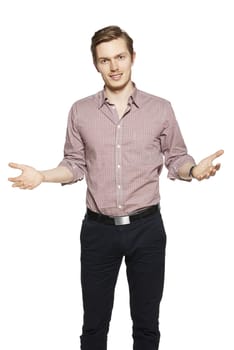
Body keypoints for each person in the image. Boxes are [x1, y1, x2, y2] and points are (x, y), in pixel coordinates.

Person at [8, 25, 224, 350]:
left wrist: (193, 170)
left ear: (133, 57)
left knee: (147, 326)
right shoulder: (80, 111)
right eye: (105, 59)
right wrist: (41, 175)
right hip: (98, 232)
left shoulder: (160, 109)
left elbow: (177, 156)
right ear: (96, 64)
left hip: (147, 229)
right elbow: (73, 164)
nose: (114, 66)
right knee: (94, 326)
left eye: (120, 56)